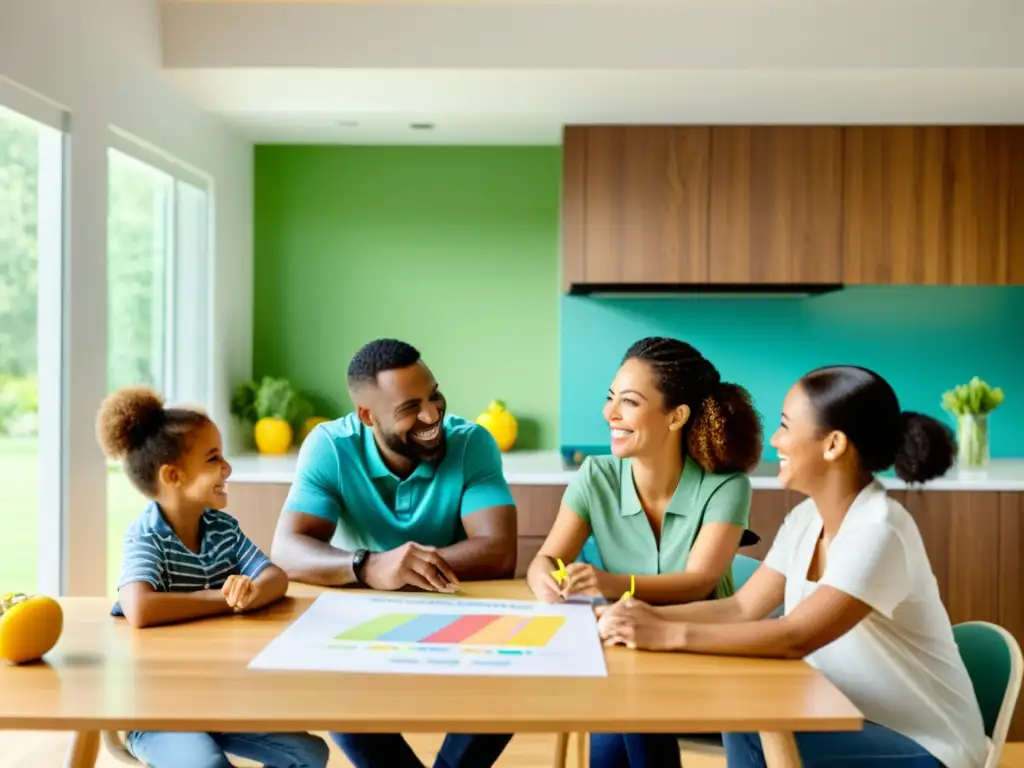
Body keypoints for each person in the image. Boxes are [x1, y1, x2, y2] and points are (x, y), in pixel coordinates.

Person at [595, 365, 988, 768]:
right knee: (637, 695)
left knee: (751, 719)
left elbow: (794, 637)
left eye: (786, 425)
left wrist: (664, 632)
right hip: (837, 712)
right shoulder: (806, 519)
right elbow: (741, 609)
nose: (776, 440)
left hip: (925, 746)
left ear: (833, 444)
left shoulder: (878, 531)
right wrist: (638, 617)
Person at [270, 338, 518, 768]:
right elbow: (287, 549)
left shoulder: (472, 442)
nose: (431, 415)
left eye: (434, 396)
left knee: (512, 689)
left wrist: (404, 568)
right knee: (338, 701)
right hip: (362, 620)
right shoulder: (330, 446)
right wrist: (368, 566)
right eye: (410, 408)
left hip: (460, 614)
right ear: (367, 415)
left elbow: (498, 552)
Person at [96, 386, 330, 768]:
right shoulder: (147, 535)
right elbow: (138, 606)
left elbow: (276, 576)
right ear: (172, 475)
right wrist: (224, 598)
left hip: (215, 698)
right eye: (213, 458)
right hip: (155, 710)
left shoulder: (222, 528)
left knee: (309, 754)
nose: (227, 468)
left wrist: (251, 591)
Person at [527, 336, 763, 606]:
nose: (610, 413)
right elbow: (545, 560)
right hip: (623, 633)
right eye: (610, 398)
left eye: (629, 402)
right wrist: (544, 581)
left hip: (702, 638)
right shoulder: (595, 476)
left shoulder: (726, 485)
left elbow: (698, 583)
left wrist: (611, 584)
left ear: (676, 417)